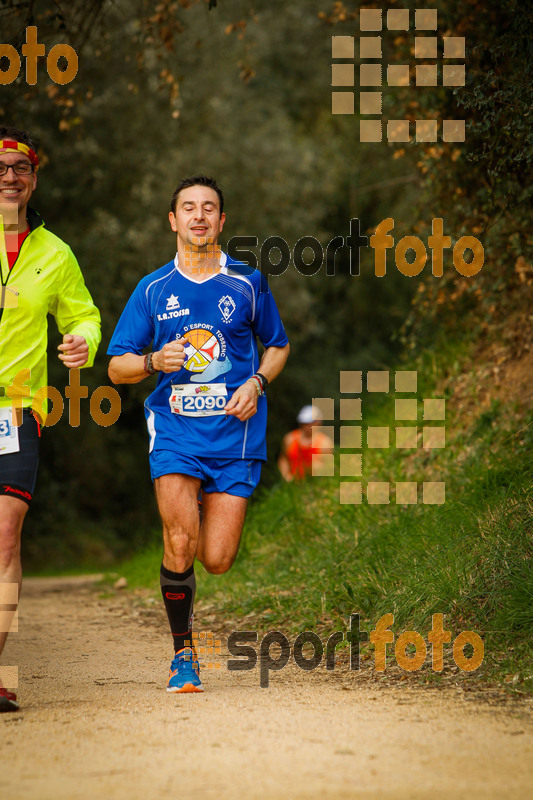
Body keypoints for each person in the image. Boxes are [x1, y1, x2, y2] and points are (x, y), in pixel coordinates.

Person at [108, 175, 289, 693]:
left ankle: (208, 510)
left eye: (209, 208)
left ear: (222, 221)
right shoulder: (152, 289)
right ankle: (183, 655)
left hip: (235, 437)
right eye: (188, 208)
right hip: (176, 433)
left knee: (217, 559)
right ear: (173, 220)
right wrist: (150, 360)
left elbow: (277, 346)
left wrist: (256, 381)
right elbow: (117, 368)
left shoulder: (249, 283)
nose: (199, 216)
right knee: (180, 540)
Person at [0, 126, 101, 712]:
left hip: (17, 411)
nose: (11, 176)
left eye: (22, 168)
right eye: (1, 166)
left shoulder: (55, 253)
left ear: (35, 179)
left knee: (5, 535)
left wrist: (82, 342)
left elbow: (84, 315)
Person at [278, 404, 333, 481]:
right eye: (305, 423)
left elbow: (329, 467)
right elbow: (283, 459)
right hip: (293, 484)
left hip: (315, 485)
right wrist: (286, 476)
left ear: (318, 422)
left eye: (311, 422)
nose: (307, 426)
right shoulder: (290, 439)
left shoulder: (325, 443)